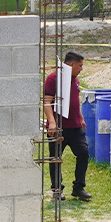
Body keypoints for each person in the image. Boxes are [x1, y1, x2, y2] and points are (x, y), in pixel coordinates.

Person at [42, 51, 91, 202]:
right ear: (71, 64)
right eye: (80, 65)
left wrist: (81, 117)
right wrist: (52, 122)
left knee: (83, 153)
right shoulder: (53, 79)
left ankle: (78, 188)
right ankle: (57, 189)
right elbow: (47, 102)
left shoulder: (75, 79)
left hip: (76, 127)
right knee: (56, 158)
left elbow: (75, 100)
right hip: (59, 128)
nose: (82, 69)